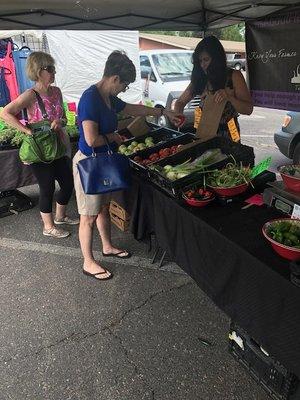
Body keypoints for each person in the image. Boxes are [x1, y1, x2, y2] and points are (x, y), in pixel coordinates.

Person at [73, 50, 183, 281]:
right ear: (114, 79)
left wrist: (163, 112)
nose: (124, 89)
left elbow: (133, 109)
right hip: (89, 164)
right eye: (124, 85)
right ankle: (88, 261)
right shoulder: (90, 98)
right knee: (88, 216)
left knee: (102, 208)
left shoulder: (108, 98)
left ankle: (107, 246)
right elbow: (91, 139)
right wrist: (114, 137)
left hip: (103, 161)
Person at [0, 51, 78, 238]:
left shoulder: (57, 91)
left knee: (67, 183)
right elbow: (6, 113)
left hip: (57, 146)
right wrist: (26, 130)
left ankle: (60, 216)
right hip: (39, 150)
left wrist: (60, 122)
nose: (53, 72)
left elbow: (64, 118)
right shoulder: (30, 95)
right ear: (37, 70)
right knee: (47, 187)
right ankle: (48, 227)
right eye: (49, 68)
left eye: (53, 68)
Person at [174, 36, 253, 141]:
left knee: (231, 157)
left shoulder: (234, 76)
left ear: (217, 58)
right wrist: (178, 115)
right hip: (204, 130)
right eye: (200, 61)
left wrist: (230, 97)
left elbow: (248, 109)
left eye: (206, 59)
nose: (203, 65)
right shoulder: (200, 78)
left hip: (229, 131)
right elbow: (180, 102)